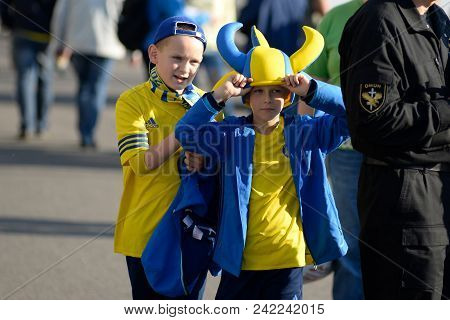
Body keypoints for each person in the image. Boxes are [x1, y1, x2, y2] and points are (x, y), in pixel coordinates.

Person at [175, 22, 349, 299]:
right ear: (246, 96)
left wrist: (313, 90)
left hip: (288, 260)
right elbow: (185, 133)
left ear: (289, 95)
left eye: (277, 91)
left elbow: (352, 114)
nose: (268, 99)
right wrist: (218, 97)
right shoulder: (230, 134)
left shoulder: (308, 132)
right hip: (240, 260)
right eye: (259, 91)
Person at [339, 0, 449, 299]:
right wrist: (445, 112)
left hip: (438, 191)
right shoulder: (379, 20)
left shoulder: (437, 18)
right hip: (405, 195)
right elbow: (374, 120)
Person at [113, 16, 209, 299]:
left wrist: (204, 163)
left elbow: (215, 173)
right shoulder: (132, 101)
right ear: (154, 54)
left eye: (194, 62)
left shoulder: (208, 104)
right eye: (177, 57)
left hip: (193, 236)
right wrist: (187, 129)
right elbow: (142, 163)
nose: (185, 69)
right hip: (145, 232)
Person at [304, 0, 366, 300]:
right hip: (346, 152)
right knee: (352, 244)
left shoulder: (414, 14)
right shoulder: (335, 18)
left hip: (400, 151)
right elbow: (311, 83)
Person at [51, 0, 126, 148]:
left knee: (84, 87)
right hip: (106, 45)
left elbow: (61, 15)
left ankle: (84, 131)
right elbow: (126, 16)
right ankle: (88, 132)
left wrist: (58, 43)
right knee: (96, 89)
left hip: (78, 44)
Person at [0, 0, 56, 139]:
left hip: (22, 30)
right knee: (45, 79)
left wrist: (10, 23)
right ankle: (41, 124)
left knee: (24, 79)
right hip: (46, 34)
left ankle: (27, 125)